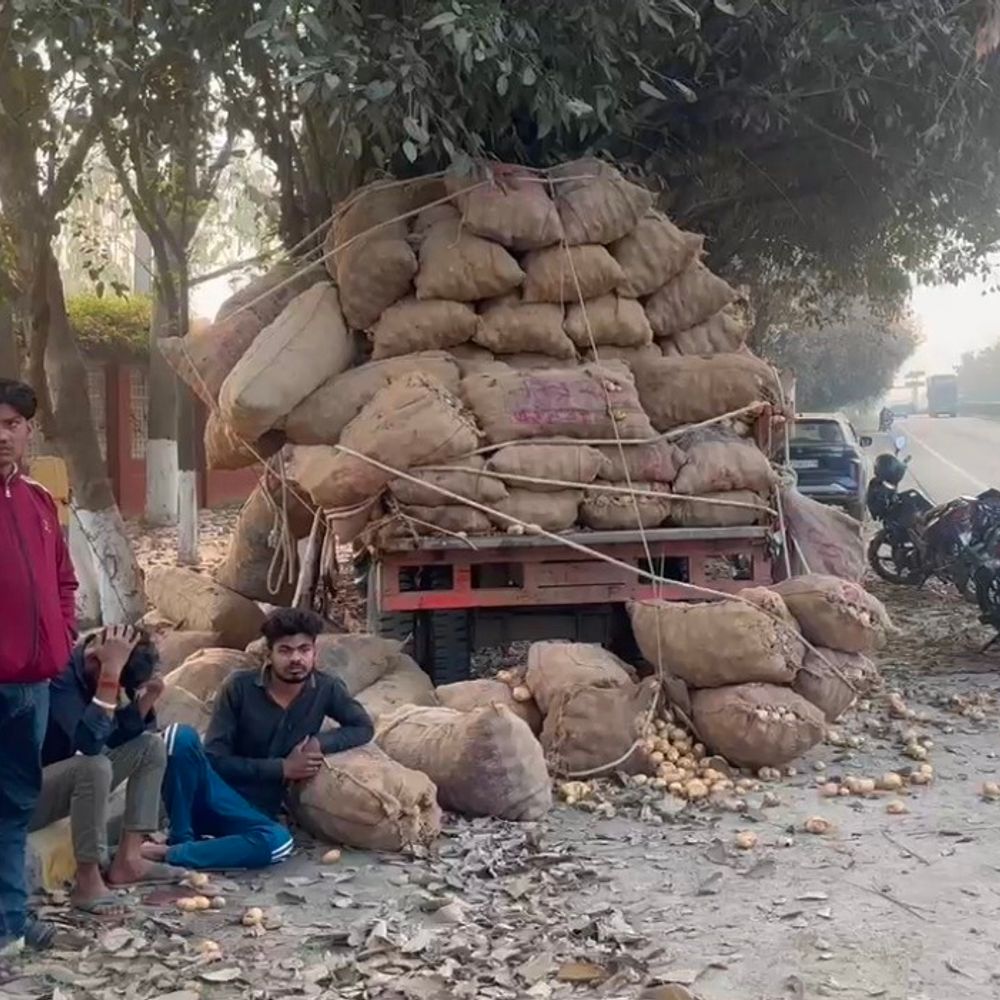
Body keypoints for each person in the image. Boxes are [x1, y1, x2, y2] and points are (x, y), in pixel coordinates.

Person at [0, 379, 78, 954]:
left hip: (34, 687)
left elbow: (64, 582)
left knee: (15, 803)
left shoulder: (40, 504)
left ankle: (11, 922)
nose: (1, 436)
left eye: (11, 425)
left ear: (27, 432)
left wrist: (63, 638)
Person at [31, 626, 182, 915]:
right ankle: (88, 881)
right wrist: (110, 675)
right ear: (94, 659)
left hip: (50, 785)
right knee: (94, 765)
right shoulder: (59, 675)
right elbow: (88, 743)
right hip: (20, 797)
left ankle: (129, 860)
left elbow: (120, 737)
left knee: (150, 746)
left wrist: (147, 697)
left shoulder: (95, 674)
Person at [204, 608, 375, 820]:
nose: (296, 659)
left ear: (315, 653)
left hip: (275, 806)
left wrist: (319, 743)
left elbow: (363, 727)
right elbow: (214, 760)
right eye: (285, 650)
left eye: (304, 650)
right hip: (226, 795)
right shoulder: (238, 688)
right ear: (269, 654)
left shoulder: (326, 688)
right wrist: (282, 768)